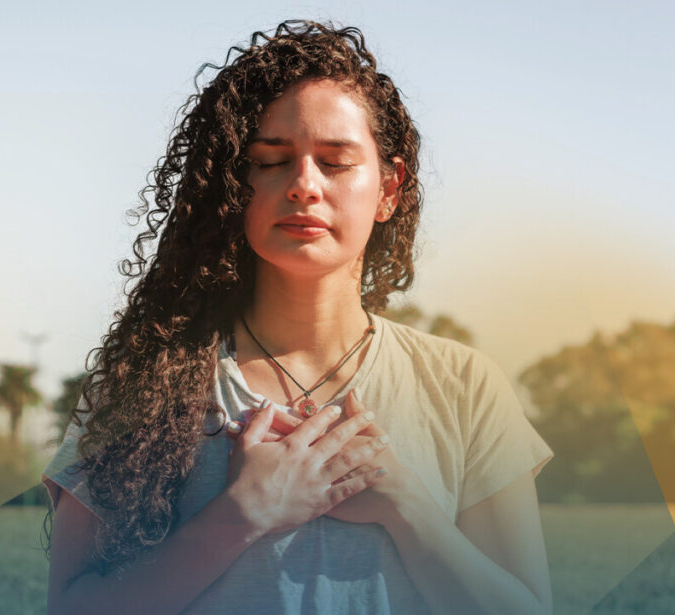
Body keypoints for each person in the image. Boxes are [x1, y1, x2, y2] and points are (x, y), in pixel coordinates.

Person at [41, 20, 554, 615]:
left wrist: (406, 505)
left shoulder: (466, 386)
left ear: (389, 187)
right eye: (271, 161)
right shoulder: (138, 384)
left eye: (335, 163)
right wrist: (241, 515)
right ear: (235, 186)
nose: (304, 186)